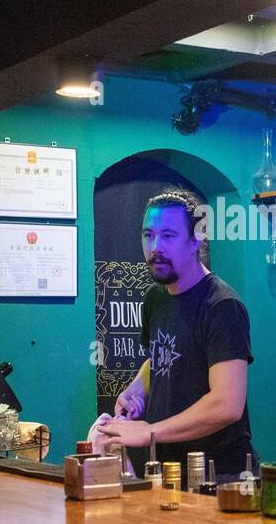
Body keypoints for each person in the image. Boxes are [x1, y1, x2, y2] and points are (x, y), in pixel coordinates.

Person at [103, 190, 254, 478]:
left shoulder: (222, 306)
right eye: (149, 235)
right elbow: (160, 358)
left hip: (219, 475)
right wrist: (137, 387)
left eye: (169, 236)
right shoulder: (155, 299)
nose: (155, 247)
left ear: (196, 239)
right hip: (167, 467)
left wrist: (149, 432)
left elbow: (227, 405)